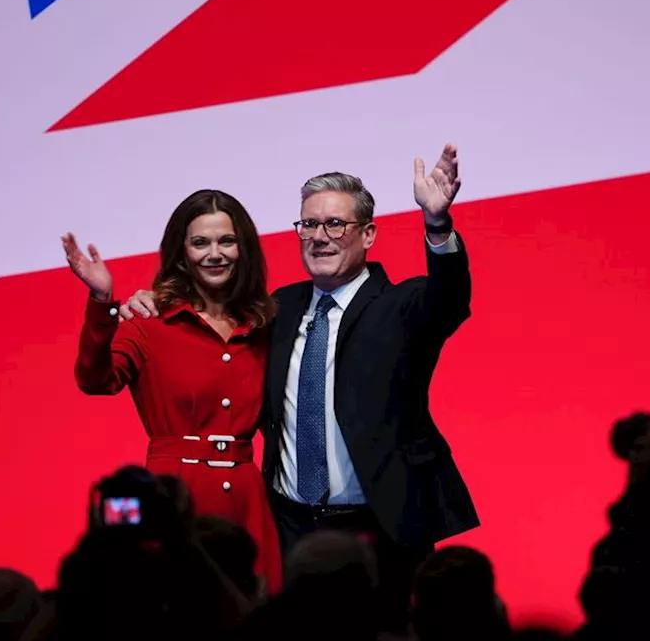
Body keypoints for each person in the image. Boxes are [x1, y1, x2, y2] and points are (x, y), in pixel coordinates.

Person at [120, 145, 478, 631]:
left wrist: (437, 226)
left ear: (369, 234)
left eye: (336, 225)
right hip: (288, 526)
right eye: (308, 225)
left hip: (380, 528)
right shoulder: (276, 310)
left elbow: (450, 298)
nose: (320, 237)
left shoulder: (402, 306)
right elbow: (211, 320)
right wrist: (151, 301)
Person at [62, 188, 283, 594]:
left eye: (226, 241)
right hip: (176, 497)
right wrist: (102, 301)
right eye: (200, 242)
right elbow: (96, 381)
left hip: (249, 498)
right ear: (181, 252)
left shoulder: (263, 325)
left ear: (244, 248)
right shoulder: (149, 321)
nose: (214, 253)